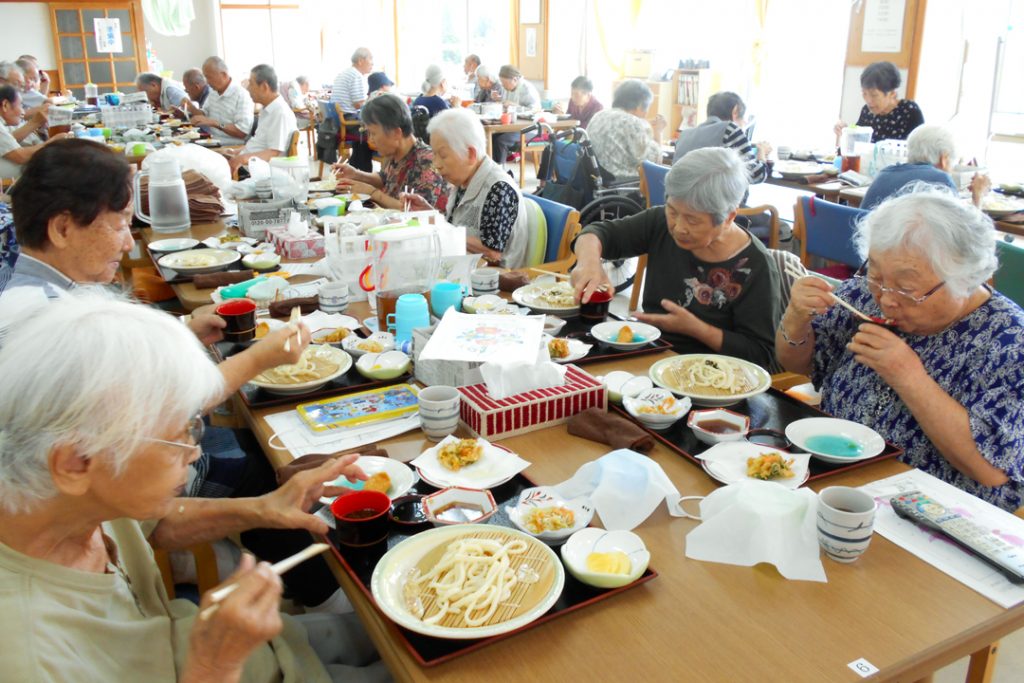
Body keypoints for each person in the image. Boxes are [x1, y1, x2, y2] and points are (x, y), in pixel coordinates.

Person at [0, 138, 359, 615]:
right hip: (104, 482)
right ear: (63, 227)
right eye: (121, 227)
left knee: (269, 453)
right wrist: (261, 359)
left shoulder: (30, 290)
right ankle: (328, 603)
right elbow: (169, 409)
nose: (129, 242)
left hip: (85, 483)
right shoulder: (46, 322)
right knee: (262, 459)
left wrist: (184, 328)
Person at [0, 291, 390, 682]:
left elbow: (161, 526)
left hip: (205, 645)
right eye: (177, 437)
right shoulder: (28, 654)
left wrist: (264, 508)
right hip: (212, 664)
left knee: (393, 629)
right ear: (75, 462)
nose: (193, 451)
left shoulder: (60, 499)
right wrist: (211, 667)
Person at [776, 188, 1024, 511]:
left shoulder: (1009, 343)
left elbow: (991, 470)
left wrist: (909, 377)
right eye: (876, 275)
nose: (886, 298)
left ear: (964, 279)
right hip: (833, 477)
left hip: (931, 515)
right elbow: (798, 363)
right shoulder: (865, 296)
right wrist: (796, 318)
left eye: (906, 289)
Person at [572, 147, 781, 368]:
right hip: (652, 356)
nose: (678, 228)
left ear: (728, 218)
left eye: (692, 220)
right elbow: (597, 233)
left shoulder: (757, 266)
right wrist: (589, 263)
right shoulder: (660, 224)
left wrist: (695, 328)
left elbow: (762, 355)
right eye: (673, 211)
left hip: (716, 376)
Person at [401, 108, 528, 268]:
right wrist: (429, 213)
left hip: (493, 282)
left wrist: (439, 227)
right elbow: (454, 227)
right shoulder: (465, 180)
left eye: (443, 155)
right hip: (461, 268)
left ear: (470, 154)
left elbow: (492, 253)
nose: (436, 164)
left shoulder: (499, 189)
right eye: (434, 154)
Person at [331, 93, 449, 211]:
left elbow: (415, 211)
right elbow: (384, 179)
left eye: (373, 133)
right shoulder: (397, 152)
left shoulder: (426, 161)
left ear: (396, 133)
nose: (370, 139)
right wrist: (356, 174)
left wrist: (372, 193)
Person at [861, 124, 990, 210]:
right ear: (944, 159)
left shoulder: (884, 174)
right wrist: (978, 196)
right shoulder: (940, 179)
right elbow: (965, 238)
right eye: (953, 164)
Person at [673, 91, 771, 183]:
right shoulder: (730, 130)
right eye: (743, 117)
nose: (744, 122)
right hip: (709, 200)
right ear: (735, 111)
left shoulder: (684, 134)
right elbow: (756, 175)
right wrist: (762, 152)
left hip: (677, 199)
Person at [586, 79, 665, 181]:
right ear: (640, 106)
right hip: (624, 186)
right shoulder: (632, 122)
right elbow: (654, 163)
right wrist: (658, 132)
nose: (646, 114)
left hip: (597, 182)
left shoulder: (598, 115)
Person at [226, 64, 297, 175]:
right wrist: (237, 152)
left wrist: (242, 158)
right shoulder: (268, 109)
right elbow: (261, 144)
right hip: (250, 166)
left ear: (264, 87)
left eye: (251, 83)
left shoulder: (280, 113)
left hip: (260, 174)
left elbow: (274, 153)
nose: (248, 88)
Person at [834, 61, 924, 143]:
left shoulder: (909, 111)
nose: (868, 100)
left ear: (892, 93)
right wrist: (845, 131)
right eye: (864, 93)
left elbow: (919, 149)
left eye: (874, 95)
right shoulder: (867, 111)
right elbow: (857, 144)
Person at [0, 85, 65, 179]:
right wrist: (53, 142)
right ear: (5, 105)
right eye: (21, 105)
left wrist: (36, 123)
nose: (23, 112)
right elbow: (21, 157)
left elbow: (7, 143)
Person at [187, 57, 255, 145]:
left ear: (224, 75)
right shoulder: (213, 93)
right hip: (212, 142)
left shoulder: (241, 95)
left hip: (233, 146)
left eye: (209, 77)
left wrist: (215, 123)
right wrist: (191, 108)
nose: (207, 82)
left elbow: (242, 132)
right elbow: (204, 114)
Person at [330, 47, 374, 171]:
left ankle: (356, 168)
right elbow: (359, 104)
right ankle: (364, 172)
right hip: (348, 121)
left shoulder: (345, 73)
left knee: (366, 132)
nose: (372, 64)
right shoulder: (356, 76)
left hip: (338, 122)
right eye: (370, 60)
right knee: (378, 133)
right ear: (360, 61)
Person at [488, 65, 541, 164]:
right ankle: (494, 169)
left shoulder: (527, 89)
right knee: (492, 136)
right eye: (502, 83)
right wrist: (499, 100)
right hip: (512, 127)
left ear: (515, 79)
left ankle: (501, 173)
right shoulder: (507, 89)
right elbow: (507, 104)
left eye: (504, 83)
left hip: (529, 128)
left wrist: (515, 106)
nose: (503, 86)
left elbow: (535, 110)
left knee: (501, 141)